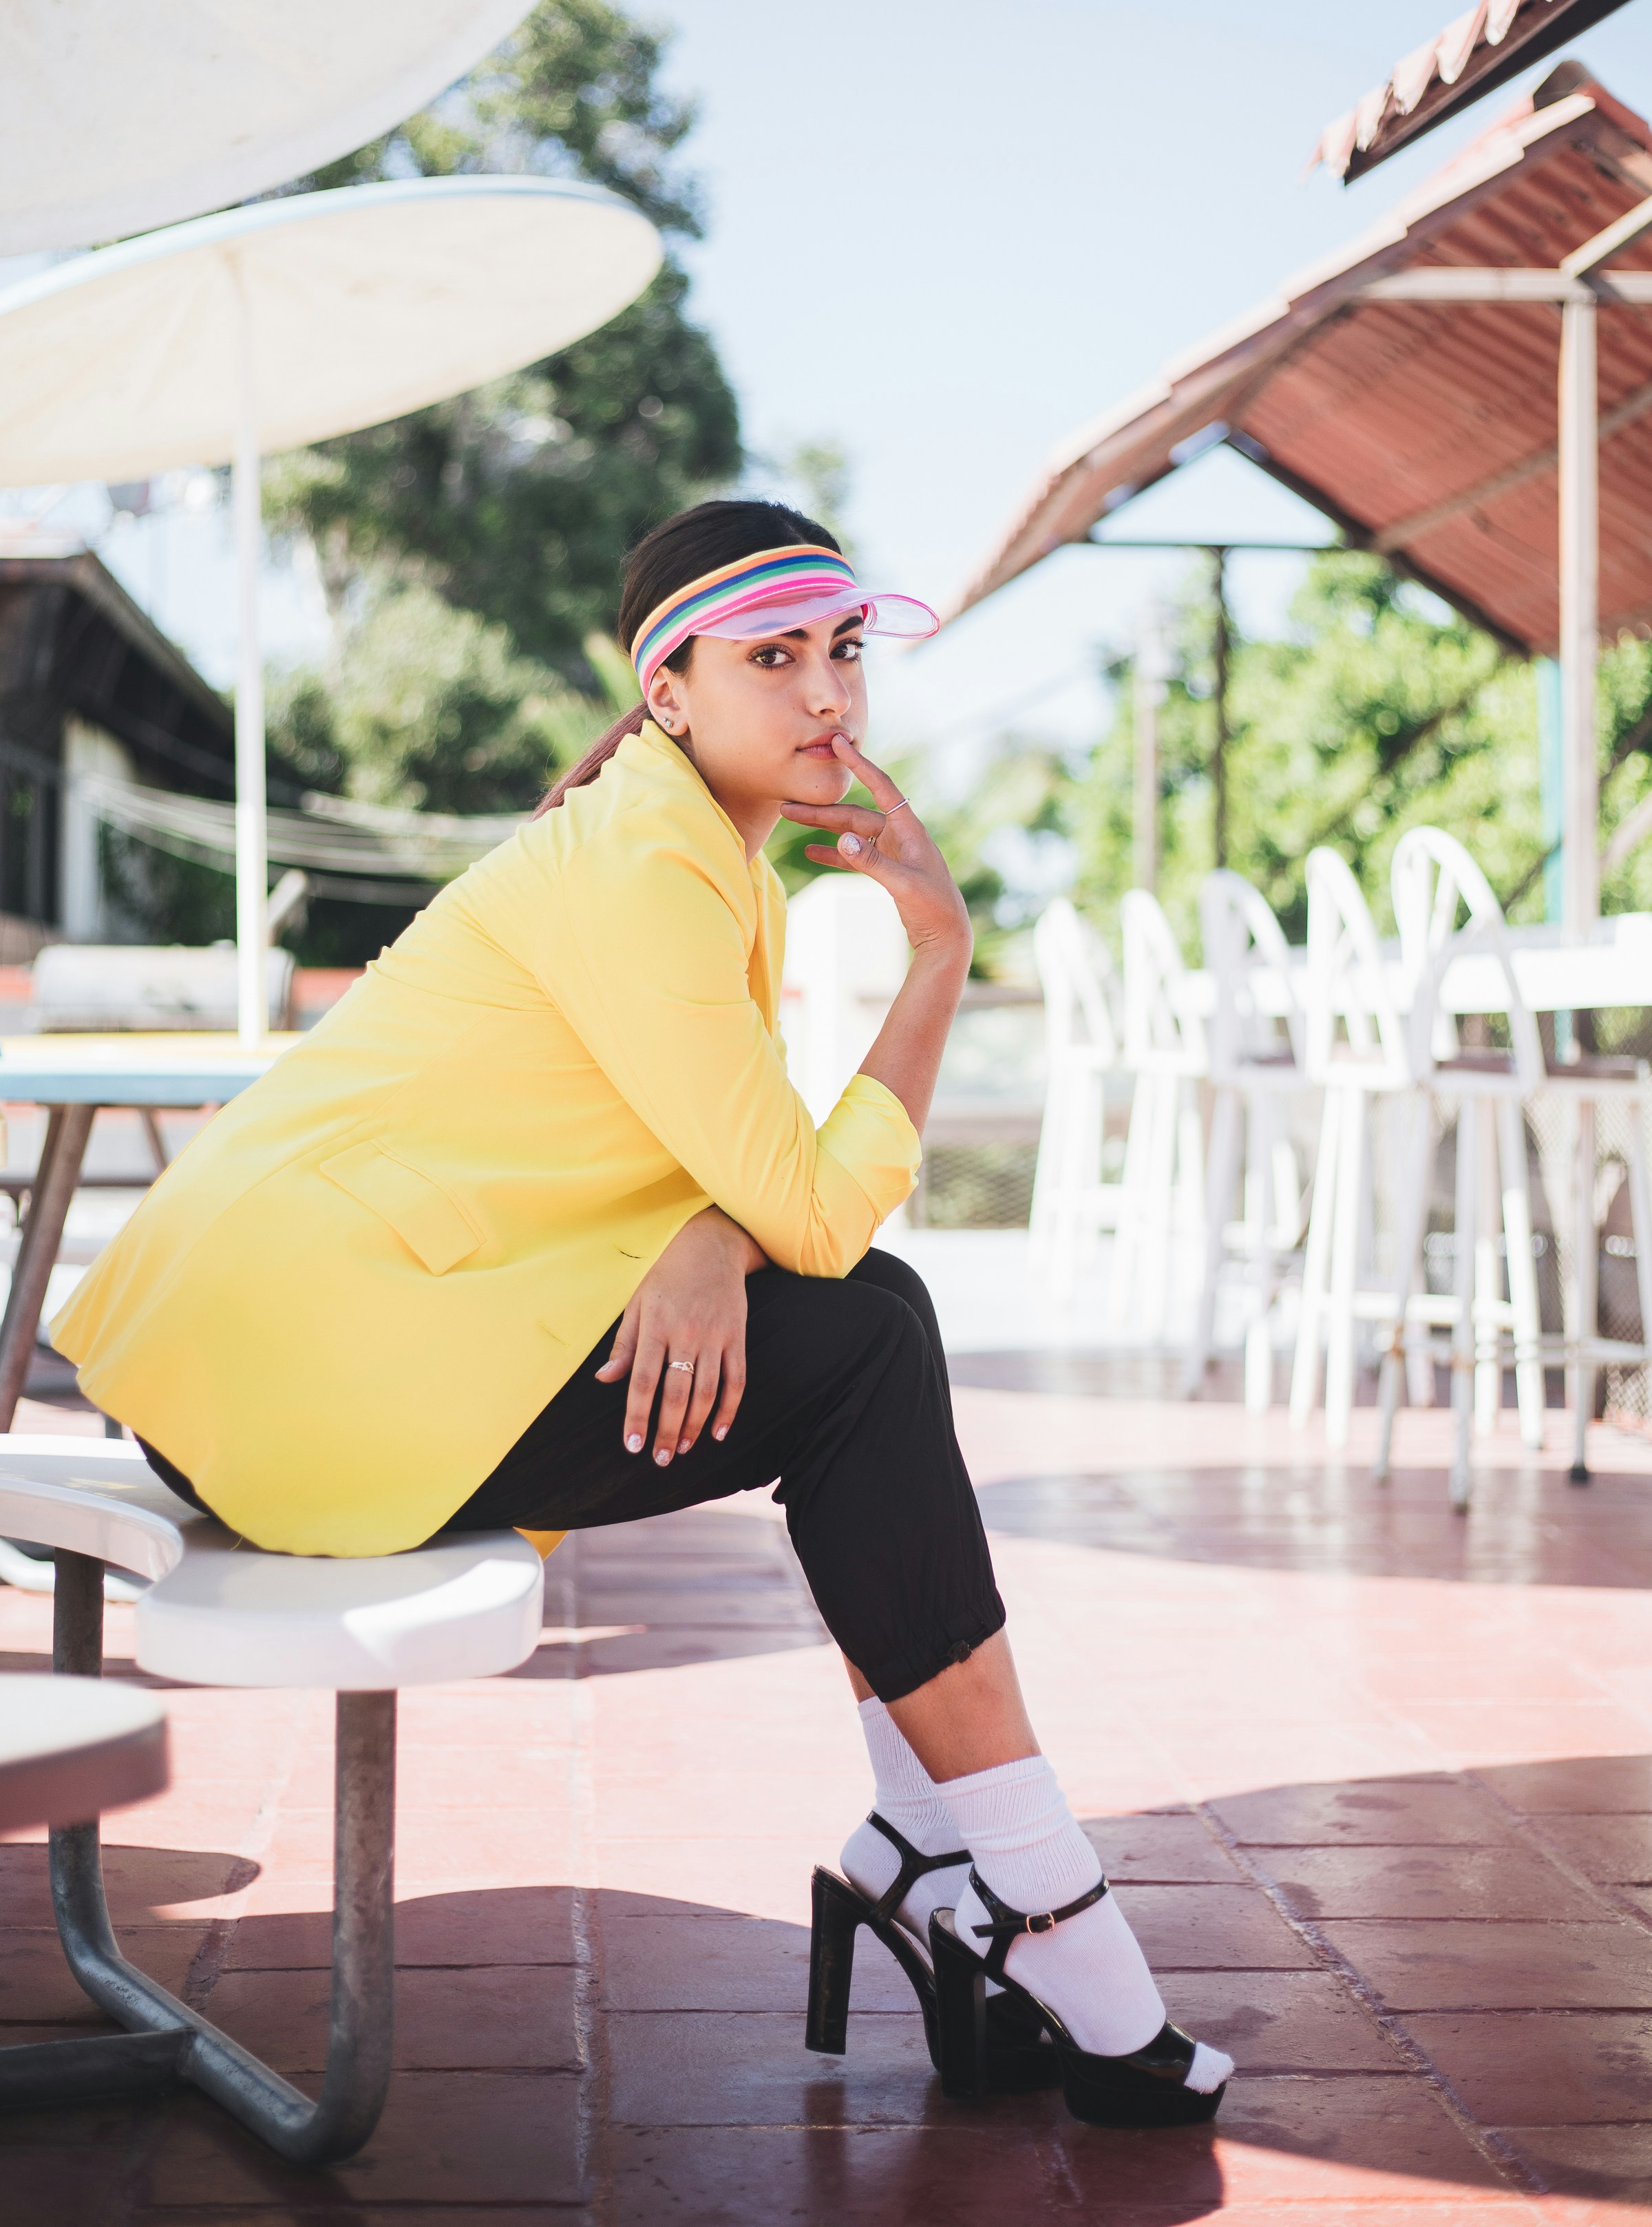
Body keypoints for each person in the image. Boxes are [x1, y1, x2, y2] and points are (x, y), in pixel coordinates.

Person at [52, 498, 1232, 2129]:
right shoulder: (653, 865)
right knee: (866, 1345)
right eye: (774, 659)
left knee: (868, 1322)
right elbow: (806, 1203)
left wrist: (714, 1235)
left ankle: (940, 1855)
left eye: (844, 650)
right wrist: (939, 953)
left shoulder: (675, 841)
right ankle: (1034, 1899)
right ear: (667, 689)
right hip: (307, 1384)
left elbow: (747, 1181)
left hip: (324, 1340)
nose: (829, 694)